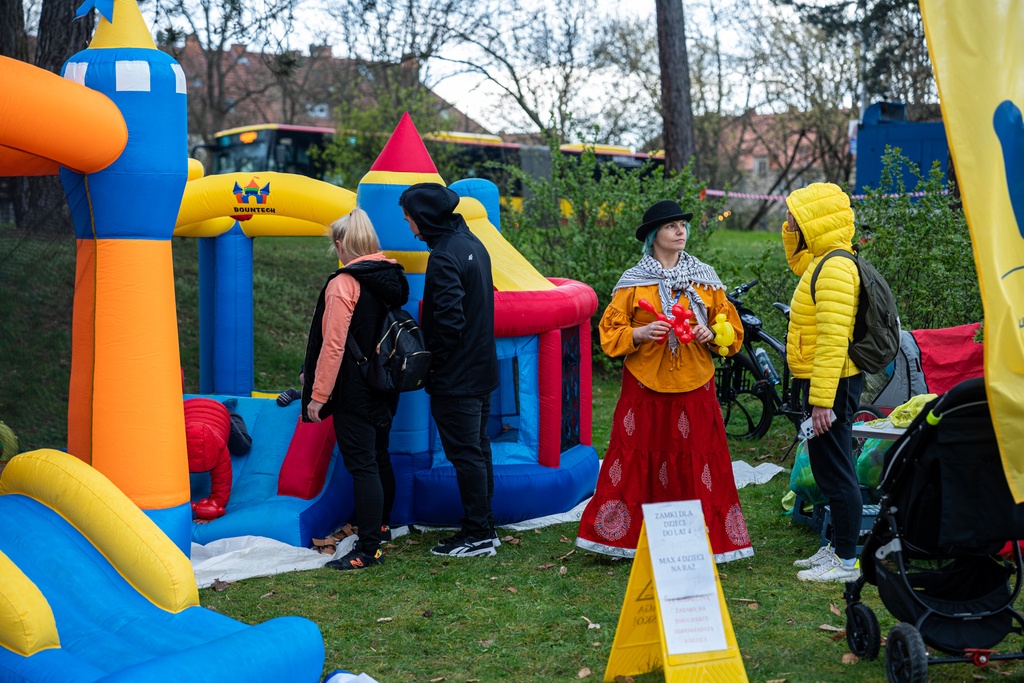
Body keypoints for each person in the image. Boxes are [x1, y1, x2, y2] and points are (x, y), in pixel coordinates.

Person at [575, 199, 754, 563]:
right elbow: (609, 332)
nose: (680, 231)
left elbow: (732, 331)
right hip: (643, 384)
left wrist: (710, 333)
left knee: (698, 459)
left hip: (695, 381)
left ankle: (701, 540)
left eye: (683, 226)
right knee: (635, 455)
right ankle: (622, 539)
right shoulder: (633, 282)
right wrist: (639, 333)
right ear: (654, 235)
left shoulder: (706, 279)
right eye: (672, 226)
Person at [301, 208, 407, 571]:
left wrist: (318, 396)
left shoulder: (344, 283)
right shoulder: (389, 275)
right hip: (384, 383)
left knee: (363, 466)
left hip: (353, 388)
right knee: (378, 456)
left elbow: (333, 344)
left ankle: (368, 549)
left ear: (341, 243)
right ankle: (381, 526)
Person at [399, 183, 500, 558]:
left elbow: (448, 323)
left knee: (466, 454)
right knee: (478, 449)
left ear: (423, 218)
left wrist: (431, 364)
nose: (410, 227)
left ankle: (478, 534)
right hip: (482, 368)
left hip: (458, 376)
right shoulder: (472, 243)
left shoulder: (443, 256)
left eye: (409, 219)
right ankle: (485, 526)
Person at [782, 182, 864, 583]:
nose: (789, 218)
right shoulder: (823, 260)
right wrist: (790, 231)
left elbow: (833, 341)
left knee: (837, 470)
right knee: (827, 466)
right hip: (823, 381)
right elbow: (799, 263)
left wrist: (822, 401)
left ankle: (846, 560)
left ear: (815, 219)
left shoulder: (835, 269)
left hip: (833, 383)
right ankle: (836, 546)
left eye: (796, 214)